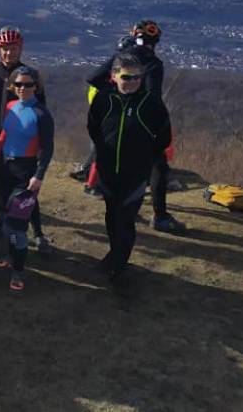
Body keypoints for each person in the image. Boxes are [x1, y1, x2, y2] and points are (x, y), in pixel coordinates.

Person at [85, 20, 183, 234]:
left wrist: (116, 95)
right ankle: (160, 216)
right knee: (158, 166)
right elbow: (153, 96)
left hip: (116, 117)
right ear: (155, 41)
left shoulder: (123, 58)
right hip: (142, 121)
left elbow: (93, 78)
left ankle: (122, 207)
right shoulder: (153, 63)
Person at [87, 54, 172, 292]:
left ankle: (120, 269)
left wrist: (144, 160)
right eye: (126, 76)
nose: (133, 81)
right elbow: (94, 130)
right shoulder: (104, 100)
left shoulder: (151, 103)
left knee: (125, 221)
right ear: (114, 77)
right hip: (107, 173)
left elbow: (163, 137)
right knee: (111, 217)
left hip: (135, 176)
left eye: (137, 77)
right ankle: (114, 256)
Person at [0, 26, 51, 252]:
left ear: (20, 48)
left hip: (21, 142)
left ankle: (38, 233)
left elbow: (40, 110)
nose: (8, 53)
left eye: (13, 48)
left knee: (26, 188)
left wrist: (40, 143)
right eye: (4, 49)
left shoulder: (29, 76)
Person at [0, 66, 54, 295]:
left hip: (26, 172)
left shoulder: (41, 114)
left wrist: (39, 176)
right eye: (18, 84)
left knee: (16, 226)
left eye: (28, 85)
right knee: (5, 219)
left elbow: (47, 148)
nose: (22, 89)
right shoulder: (10, 106)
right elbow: (4, 134)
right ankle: (10, 256)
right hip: (5, 169)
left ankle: (18, 271)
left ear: (36, 87)